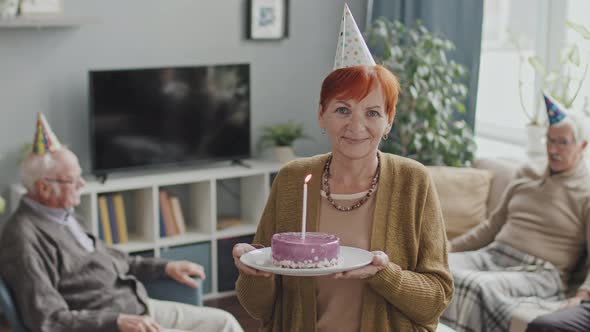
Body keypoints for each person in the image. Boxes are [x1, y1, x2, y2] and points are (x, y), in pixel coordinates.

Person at [232, 5, 453, 332]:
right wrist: (252, 271)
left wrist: (384, 274)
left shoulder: (413, 182)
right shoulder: (293, 179)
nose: (357, 125)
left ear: (389, 121)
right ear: (321, 114)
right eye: (342, 109)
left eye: (373, 113)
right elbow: (258, 306)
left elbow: (436, 298)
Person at [0, 113, 243, 332]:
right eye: (73, 180)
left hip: (135, 306)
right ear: (44, 187)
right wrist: (116, 322)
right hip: (110, 325)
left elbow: (113, 259)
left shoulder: (65, 215)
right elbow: (47, 319)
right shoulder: (23, 238)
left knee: (225, 323)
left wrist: (164, 267)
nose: (82, 185)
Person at [441, 95, 590, 332]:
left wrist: (583, 293)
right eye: (549, 141)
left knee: (473, 285)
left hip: (541, 273)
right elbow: (492, 226)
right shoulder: (527, 173)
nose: (553, 149)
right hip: (494, 255)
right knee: (435, 265)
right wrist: (448, 247)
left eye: (562, 142)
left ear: (582, 146)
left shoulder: (586, 192)